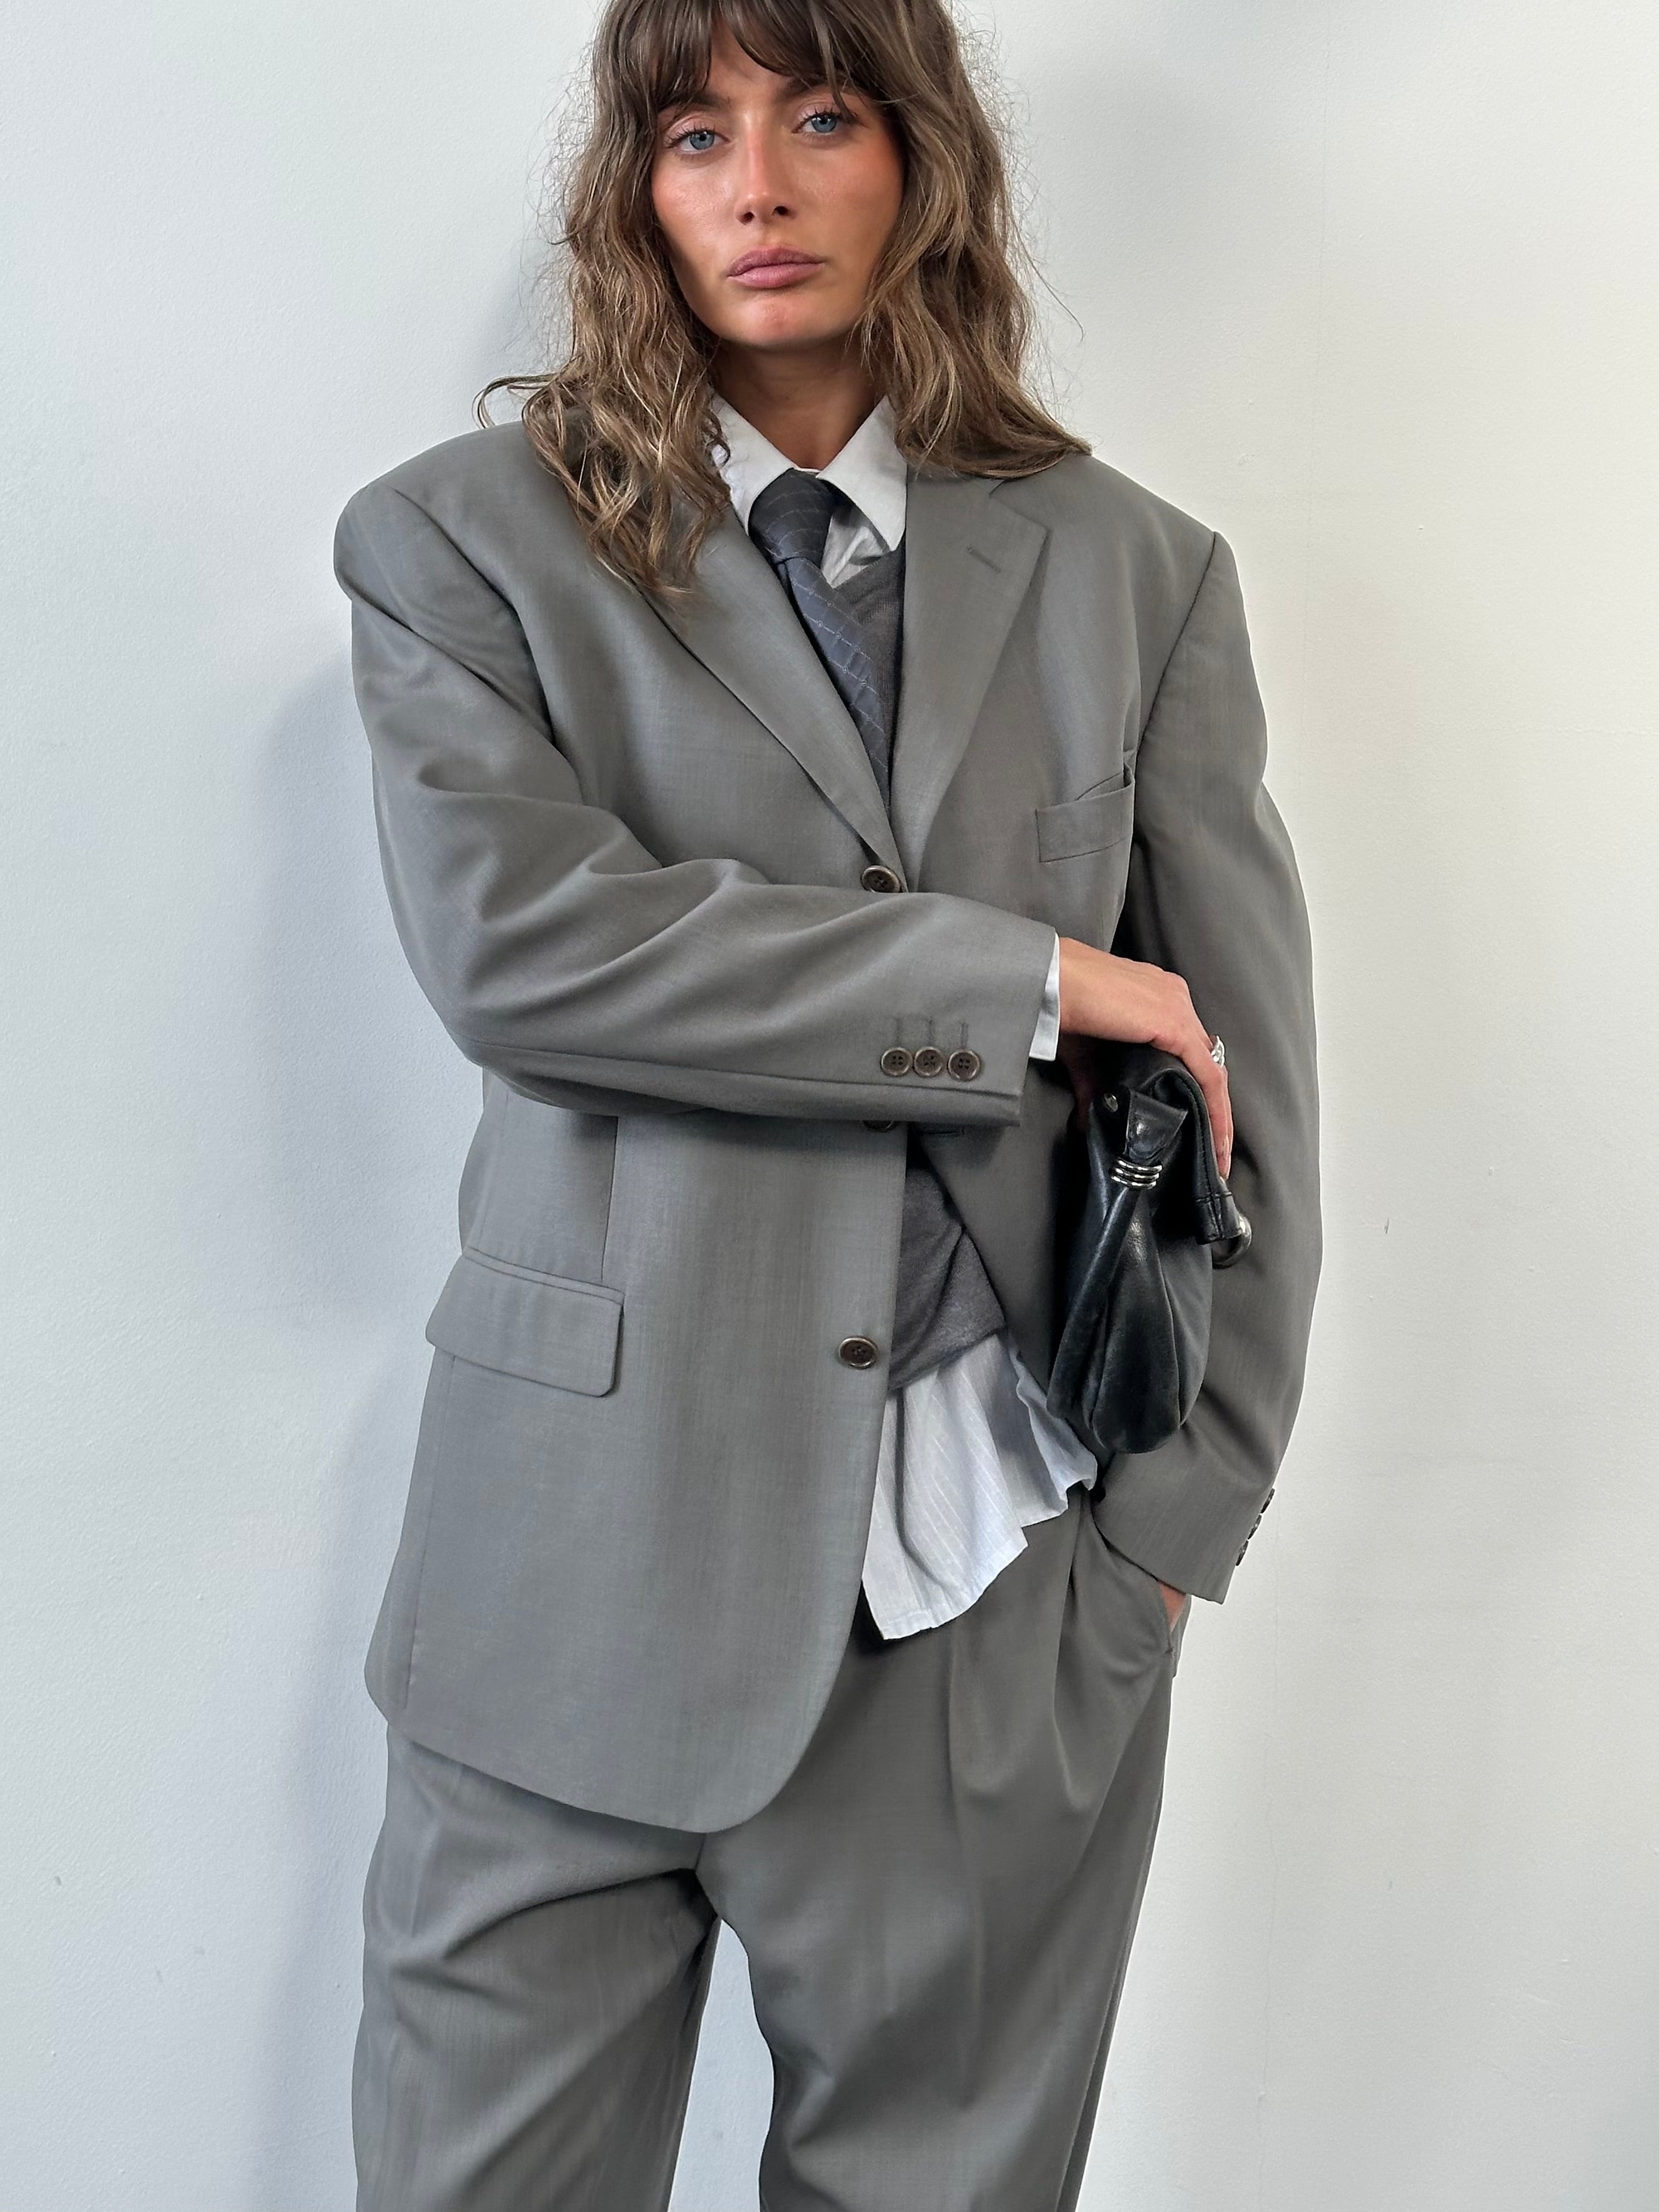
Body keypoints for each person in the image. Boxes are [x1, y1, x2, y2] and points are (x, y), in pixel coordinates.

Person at [331, 1, 1321, 2204]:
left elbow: (1248, 1079)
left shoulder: (1135, 572)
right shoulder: (464, 545)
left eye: (822, 116)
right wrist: (1020, 978)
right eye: (694, 134)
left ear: (922, 158)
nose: (758, 186)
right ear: (635, 187)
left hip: (987, 1589)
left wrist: (1164, 1542)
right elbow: (529, 958)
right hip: (567, 1578)